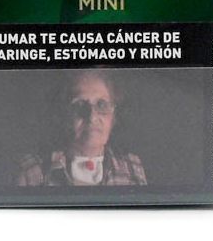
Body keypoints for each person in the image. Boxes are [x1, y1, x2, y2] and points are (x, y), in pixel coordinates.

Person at [16, 70, 147, 186]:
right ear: (64, 115)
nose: (92, 117)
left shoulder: (132, 167)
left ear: (113, 117)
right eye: (79, 105)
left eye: (101, 105)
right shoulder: (32, 171)